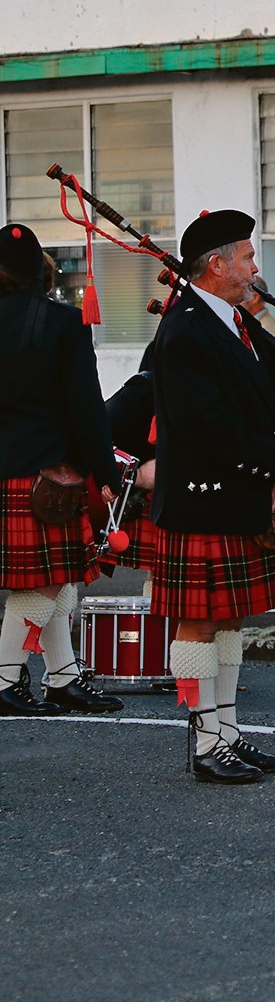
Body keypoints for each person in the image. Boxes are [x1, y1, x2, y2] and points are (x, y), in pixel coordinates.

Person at [151, 210, 275, 781]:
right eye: (246, 256)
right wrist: (270, 458)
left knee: (229, 619)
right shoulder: (186, 329)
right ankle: (204, 745)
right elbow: (202, 424)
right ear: (217, 266)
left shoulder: (232, 320)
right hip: (202, 500)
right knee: (198, 622)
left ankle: (227, 734)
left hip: (234, 494)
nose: (254, 267)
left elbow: (263, 397)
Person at [0, 223, 121, 717]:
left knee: (59, 578)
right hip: (46, 475)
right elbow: (86, 408)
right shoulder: (63, 323)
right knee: (43, 585)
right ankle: (4, 681)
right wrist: (106, 472)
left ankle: (63, 677)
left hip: (12, 475)